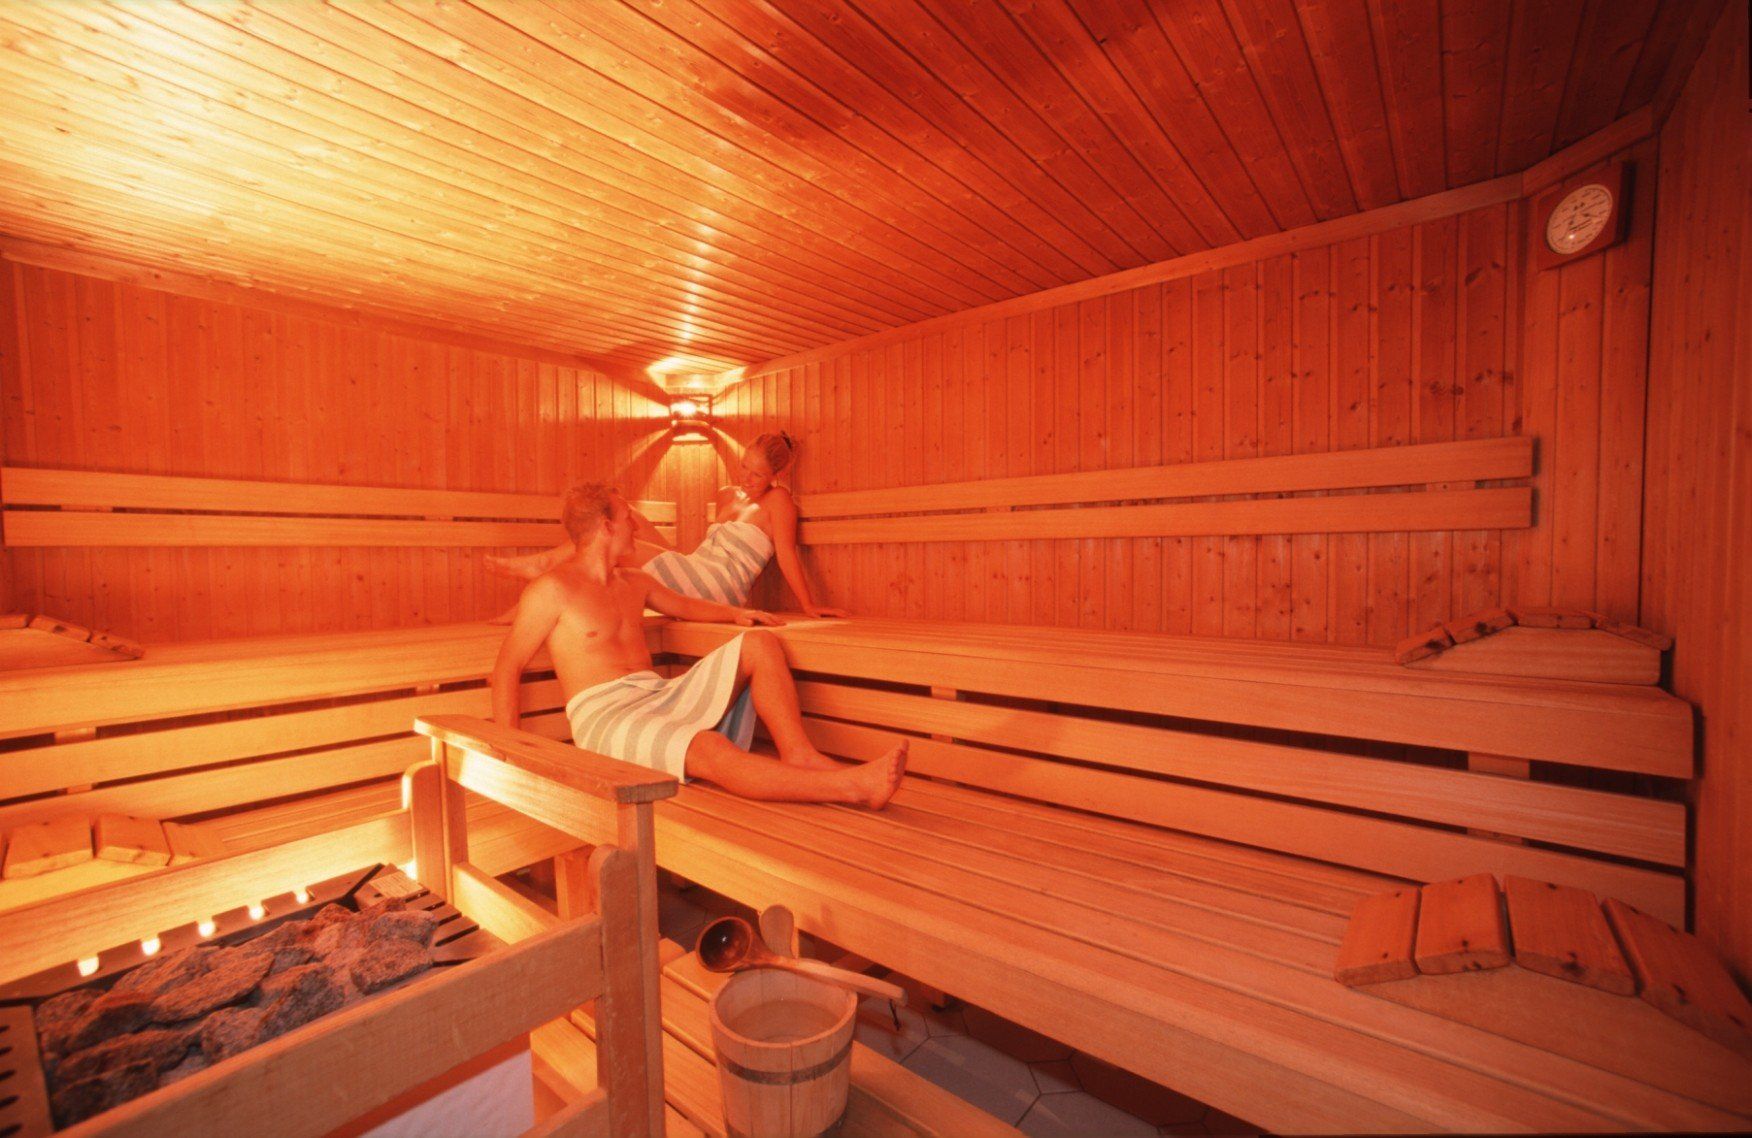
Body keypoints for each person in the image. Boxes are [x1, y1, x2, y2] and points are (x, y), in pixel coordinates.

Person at [490, 481, 906, 807]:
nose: (635, 525)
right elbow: (507, 668)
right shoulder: (552, 590)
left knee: (759, 644)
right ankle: (852, 788)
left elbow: (685, 605)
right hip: (606, 716)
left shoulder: (634, 581)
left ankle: (799, 754)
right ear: (606, 526)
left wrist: (737, 615)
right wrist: (508, 754)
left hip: (656, 694)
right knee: (709, 747)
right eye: (628, 517)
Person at [489, 431, 847, 618]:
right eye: (744, 467)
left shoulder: (779, 501)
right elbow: (705, 552)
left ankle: (542, 569)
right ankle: (533, 595)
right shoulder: (727, 494)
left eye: (758, 474)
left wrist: (808, 605)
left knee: (612, 542)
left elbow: (786, 554)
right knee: (628, 516)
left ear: (776, 474)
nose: (747, 478)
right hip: (695, 569)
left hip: (719, 590)